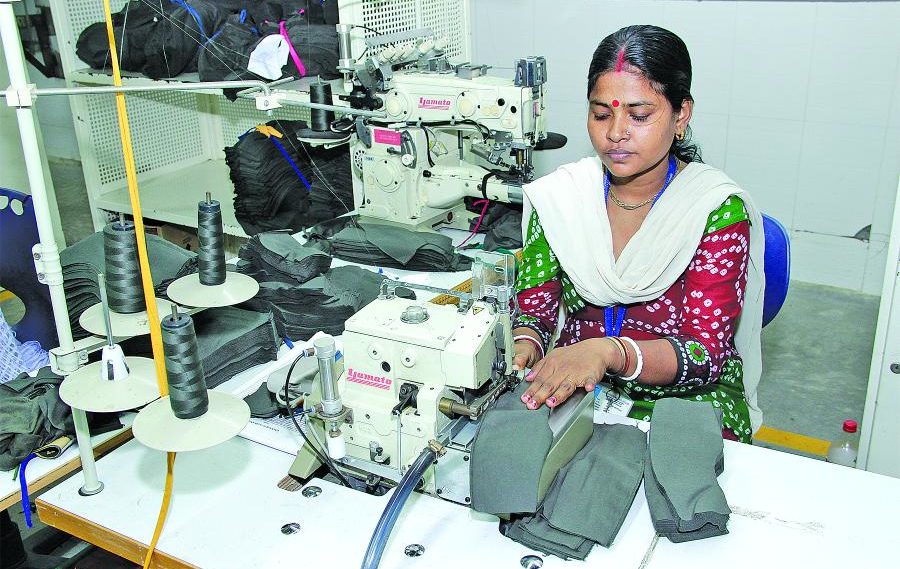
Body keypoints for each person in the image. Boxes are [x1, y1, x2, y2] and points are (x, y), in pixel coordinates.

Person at [511, 25, 765, 442]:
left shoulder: (712, 209)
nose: (615, 133)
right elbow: (536, 313)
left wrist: (611, 352)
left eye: (640, 115)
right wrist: (524, 348)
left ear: (681, 115)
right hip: (578, 388)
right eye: (601, 114)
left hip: (686, 401)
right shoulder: (562, 199)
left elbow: (706, 354)